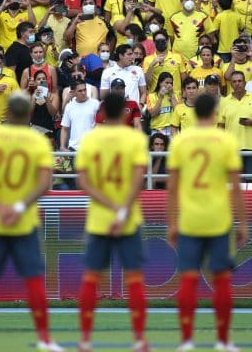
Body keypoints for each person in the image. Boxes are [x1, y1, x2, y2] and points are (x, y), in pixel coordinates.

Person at [0, 92, 63, 352]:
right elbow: (45, 183)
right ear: (28, 114)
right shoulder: (37, 142)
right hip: (24, 220)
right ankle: (45, 339)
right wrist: (19, 206)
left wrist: (0, 206)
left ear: (7, 112)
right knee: (33, 279)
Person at [167, 94, 248, 352]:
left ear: (194, 113)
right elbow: (236, 187)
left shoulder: (180, 141)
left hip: (190, 220)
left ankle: (186, 341)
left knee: (188, 280)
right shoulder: (225, 141)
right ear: (214, 112)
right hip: (218, 219)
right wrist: (243, 222)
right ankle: (223, 341)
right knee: (222, 280)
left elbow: (172, 188)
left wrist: (171, 223)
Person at [76, 93, 149, 352]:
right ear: (125, 113)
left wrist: (108, 206)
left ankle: (85, 340)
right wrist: (121, 209)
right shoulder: (134, 139)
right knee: (135, 280)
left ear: (103, 112)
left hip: (99, 219)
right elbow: (138, 179)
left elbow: (82, 181)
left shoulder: (91, 139)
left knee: (90, 279)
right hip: (127, 218)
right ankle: (139, 340)